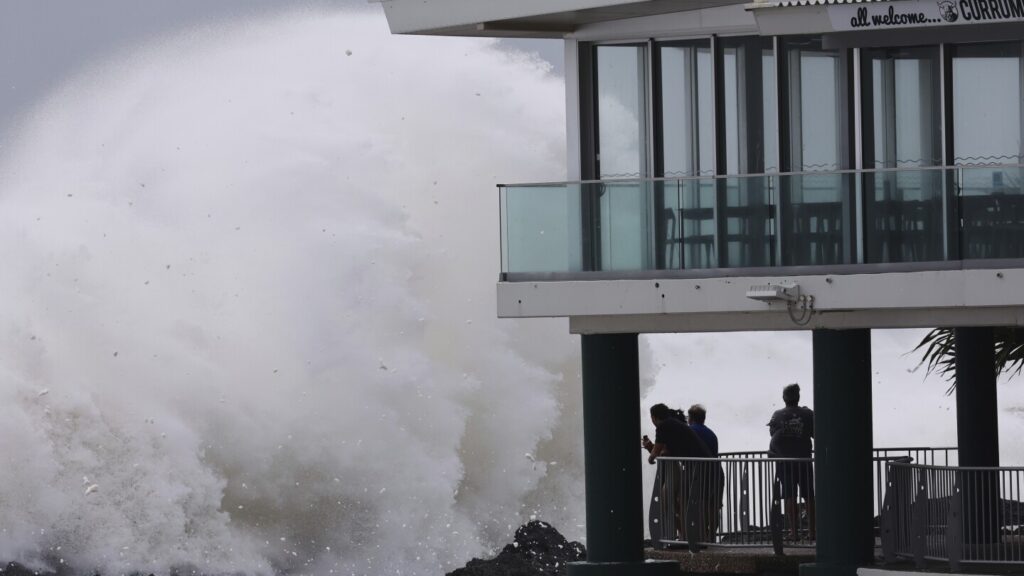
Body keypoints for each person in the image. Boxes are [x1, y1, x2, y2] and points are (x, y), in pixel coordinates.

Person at [643, 404, 710, 543]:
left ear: (654, 417)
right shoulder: (674, 424)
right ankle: (690, 535)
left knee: (673, 503)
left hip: (696, 467)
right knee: (683, 504)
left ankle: (687, 536)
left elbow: (657, 452)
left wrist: (650, 456)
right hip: (701, 466)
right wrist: (652, 448)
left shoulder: (663, 426)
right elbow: (666, 451)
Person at [768, 383, 815, 541]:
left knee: (789, 496)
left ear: (784, 398)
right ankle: (812, 531)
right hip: (804, 460)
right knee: (808, 495)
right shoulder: (808, 414)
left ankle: (794, 532)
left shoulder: (777, 415)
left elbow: (773, 435)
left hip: (785, 461)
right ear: (798, 397)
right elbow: (816, 433)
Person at [688, 404, 723, 541]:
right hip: (716, 471)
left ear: (691, 418)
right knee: (713, 506)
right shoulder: (711, 433)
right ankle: (711, 537)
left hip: (700, 473)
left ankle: (701, 537)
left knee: (700, 504)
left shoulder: (690, 431)